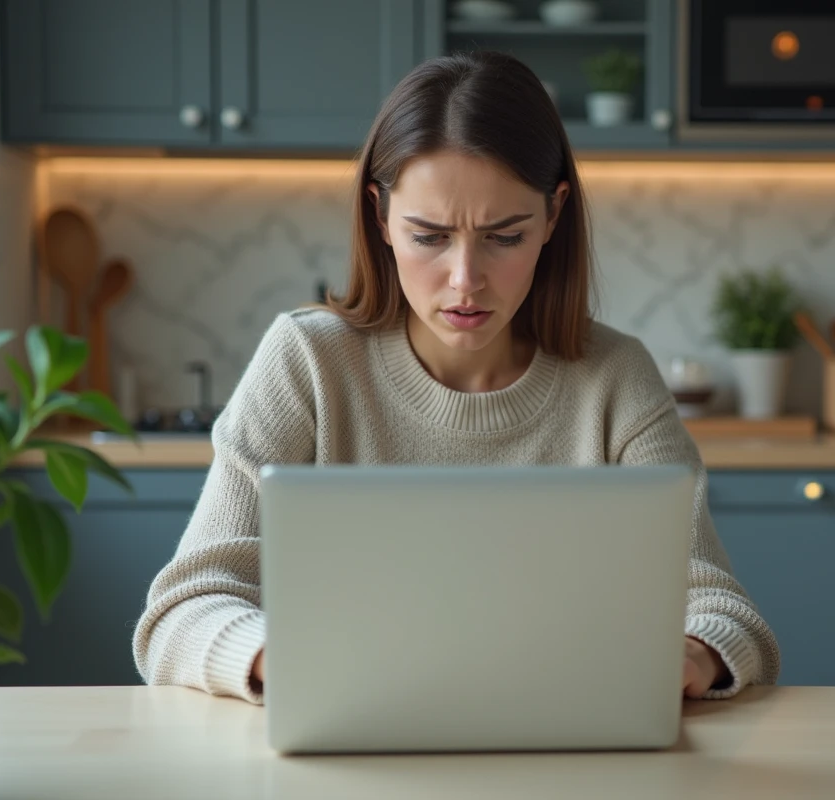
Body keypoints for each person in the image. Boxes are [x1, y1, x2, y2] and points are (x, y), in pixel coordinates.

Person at [132, 51, 780, 705]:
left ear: (553, 216)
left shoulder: (616, 379)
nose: (465, 279)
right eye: (429, 236)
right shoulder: (306, 361)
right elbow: (180, 614)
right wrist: (282, 656)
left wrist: (694, 653)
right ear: (380, 216)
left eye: (505, 237)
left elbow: (723, 611)